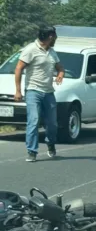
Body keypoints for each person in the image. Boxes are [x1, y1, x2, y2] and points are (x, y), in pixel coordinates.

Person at [14, 26, 64, 162]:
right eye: (55, 37)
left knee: (52, 123)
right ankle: (32, 151)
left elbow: (60, 67)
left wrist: (60, 74)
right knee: (33, 120)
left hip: (48, 92)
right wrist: (18, 90)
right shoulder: (30, 49)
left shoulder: (52, 52)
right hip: (33, 91)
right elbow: (18, 68)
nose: (55, 39)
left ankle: (51, 144)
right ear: (50, 37)